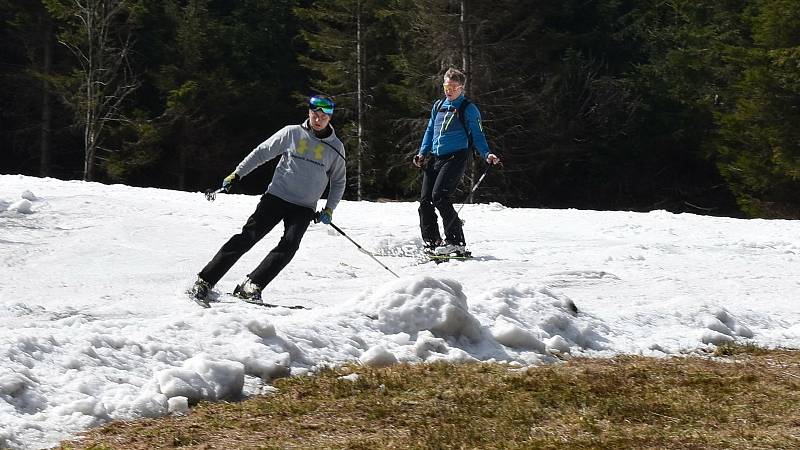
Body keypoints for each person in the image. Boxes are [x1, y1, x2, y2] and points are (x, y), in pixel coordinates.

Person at [190, 95, 346, 307]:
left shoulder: (336, 148)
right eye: (314, 114)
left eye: (323, 116)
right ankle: (205, 280)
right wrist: (237, 174)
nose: (318, 119)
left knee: (289, 247)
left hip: (304, 207)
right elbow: (262, 152)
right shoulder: (292, 133)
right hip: (277, 197)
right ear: (308, 113)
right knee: (248, 237)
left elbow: (338, 181)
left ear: (330, 118)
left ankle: (252, 286)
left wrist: (329, 209)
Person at [413, 68, 501, 256]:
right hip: (435, 158)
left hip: (455, 157)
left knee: (440, 196)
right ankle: (432, 241)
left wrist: (487, 154)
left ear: (461, 88)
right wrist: (422, 153)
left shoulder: (468, 108)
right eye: (446, 86)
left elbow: (478, 134)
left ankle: (456, 242)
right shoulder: (438, 105)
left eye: (453, 87)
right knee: (425, 202)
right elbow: (430, 131)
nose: (449, 90)